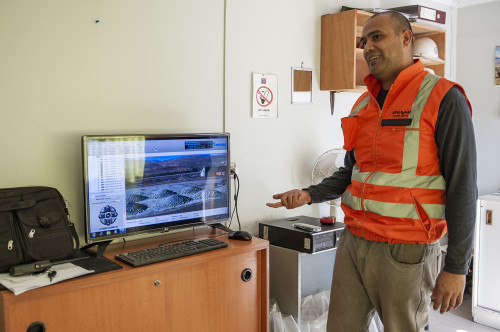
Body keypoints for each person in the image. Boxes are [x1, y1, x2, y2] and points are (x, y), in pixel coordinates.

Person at [267, 11, 477, 332]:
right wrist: (310, 194)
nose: (368, 47)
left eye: (377, 36)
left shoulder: (443, 98)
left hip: (406, 251)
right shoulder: (364, 105)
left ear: (406, 39)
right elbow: (351, 172)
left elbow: (463, 186)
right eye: (364, 41)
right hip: (354, 242)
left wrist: (457, 267)